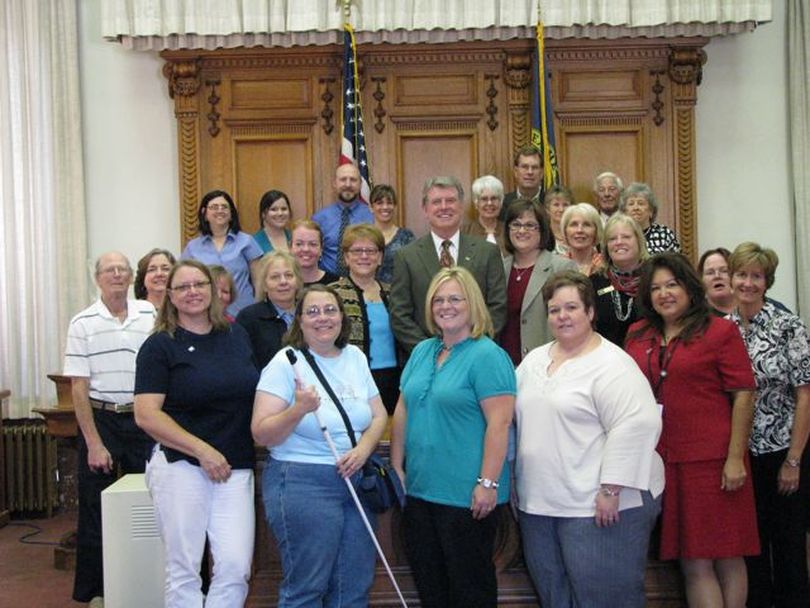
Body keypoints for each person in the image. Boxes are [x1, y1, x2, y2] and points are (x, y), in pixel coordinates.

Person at [515, 270, 664, 608]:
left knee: (606, 598)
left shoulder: (612, 364)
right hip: (539, 504)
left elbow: (636, 425)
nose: (562, 316)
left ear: (591, 312)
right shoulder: (534, 361)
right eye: (554, 310)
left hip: (598, 506)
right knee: (555, 596)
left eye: (571, 308)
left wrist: (612, 489)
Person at [625, 253, 759, 608]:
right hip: (663, 461)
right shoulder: (638, 334)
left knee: (725, 555)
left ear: (688, 286)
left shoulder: (720, 330)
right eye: (655, 288)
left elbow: (744, 394)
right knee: (691, 559)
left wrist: (734, 458)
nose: (664, 293)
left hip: (713, 460)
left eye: (672, 284)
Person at [252, 285, 388, 607]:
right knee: (307, 589)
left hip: (355, 481)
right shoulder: (285, 363)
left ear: (342, 316)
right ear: (299, 320)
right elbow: (261, 433)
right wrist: (298, 409)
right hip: (302, 482)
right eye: (312, 312)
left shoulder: (355, 357)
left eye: (330, 310)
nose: (323, 318)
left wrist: (363, 449)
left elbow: (379, 414)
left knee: (353, 587)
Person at [134, 260, 257, 607]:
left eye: (199, 285)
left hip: (235, 465)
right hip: (180, 465)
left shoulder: (236, 335)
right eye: (183, 287)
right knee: (185, 568)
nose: (192, 293)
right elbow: (146, 415)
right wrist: (202, 450)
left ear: (213, 289)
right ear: (170, 296)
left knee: (235, 566)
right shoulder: (159, 346)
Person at [390, 267, 516, 608]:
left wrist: (488, 483)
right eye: (438, 300)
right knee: (432, 588)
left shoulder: (488, 355)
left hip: (467, 497)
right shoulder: (422, 352)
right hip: (420, 490)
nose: (446, 306)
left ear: (472, 303)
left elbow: (500, 423)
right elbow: (403, 408)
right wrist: (396, 463)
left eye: (455, 299)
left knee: (469, 590)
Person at [63, 251, 156, 606]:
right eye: (109, 270)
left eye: (123, 269)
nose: (117, 275)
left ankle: (145, 582)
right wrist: (94, 443)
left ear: (132, 276)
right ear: (98, 278)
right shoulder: (82, 322)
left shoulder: (151, 314)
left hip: (144, 418)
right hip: (102, 420)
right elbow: (78, 388)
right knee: (94, 508)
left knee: (150, 502)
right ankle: (97, 592)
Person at [727, 242, 810, 608]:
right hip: (741, 455)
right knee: (752, 546)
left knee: (789, 545)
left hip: (783, 451)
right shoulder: (721, 330)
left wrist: (793, 460)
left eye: (756, 276)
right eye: (741, 274)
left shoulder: (787, 325)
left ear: (767, 281)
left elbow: (805, 395)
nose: (747, 283)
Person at [390, 175, 507, 354]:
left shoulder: (487, 252)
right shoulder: (406, 256)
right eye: (437, 202)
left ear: (461, 206)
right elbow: (400, 316)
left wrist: (471, 348)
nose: (444, 207)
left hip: (476, 357)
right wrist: (434, 352)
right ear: (425, 208)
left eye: (451, 201)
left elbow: (497, 308)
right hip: (426, 361)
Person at [329, 225, 400, 414]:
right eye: (357, 250)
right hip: (350, 381)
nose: (364, 256)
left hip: (393, 381)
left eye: (371, 251)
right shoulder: (332, 294)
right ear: (346, 257)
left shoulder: (393, 293)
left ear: (380, 257)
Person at [500, 199, 576, 365]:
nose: (522, 230)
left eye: (529, 225)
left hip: (549, 364)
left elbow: (574, 321)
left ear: (542, 230)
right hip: (504, 365)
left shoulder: (561, 267)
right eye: (516, 224)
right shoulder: (499, 268)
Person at [181, 189, 263, 316]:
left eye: (224, 207)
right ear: (204, 213)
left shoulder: (246, 241)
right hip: (205, 314)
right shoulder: (193, 247)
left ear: (231, 214)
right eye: (214, 207)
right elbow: (183, 281)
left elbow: (259, 281)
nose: (220, 210)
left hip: (244, 312)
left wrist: (258, 310)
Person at [236, 251, 301, 371]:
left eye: (289, 275)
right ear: (264, 285)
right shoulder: (248, 318)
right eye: (275, 277)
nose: (283, 282)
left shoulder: (310, 313)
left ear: (297, 281)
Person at [590, 214, 648, 346]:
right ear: (606, 247)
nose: (619, 242)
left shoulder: (654, 278)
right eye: (612, 239)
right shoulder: (593, 283)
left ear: (639, 241)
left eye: (626, 237)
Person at [311, 163, 374, 276]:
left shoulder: (372, 216)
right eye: (343, 179)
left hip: (363, 280)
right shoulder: (319, 219)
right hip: (327, 284)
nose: (348, 184)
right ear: (334, 184)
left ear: (360, 184)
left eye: (353, 180)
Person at [369, 183, 415, 284]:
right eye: (380, 203)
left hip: (399, 294)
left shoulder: (406, 237)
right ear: (371, 207)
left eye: (389, 203)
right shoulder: (364, 237)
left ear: (395, 206)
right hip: (368, 294)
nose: (385, 207)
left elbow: (414, 270)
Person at [619, 182, 681, 254]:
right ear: (624, 212)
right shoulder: (619, 234)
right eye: (631, 204)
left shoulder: (664, 234)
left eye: (640, 203)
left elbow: (678, 263)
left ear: (651, 211)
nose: (635, 208)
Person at [462, 175, 507, 255]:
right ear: (476, 203)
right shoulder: (464, 233)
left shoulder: (509, 231)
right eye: (484, 199)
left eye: (494, 198)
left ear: (501, 202)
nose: (489, 203)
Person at [289, 219, 339, 287]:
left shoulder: (336, 284)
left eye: (313, 244)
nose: (306, 249)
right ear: (290, 248)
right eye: (299, 244)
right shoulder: (282, 284)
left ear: (321, 249)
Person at [500, 145, 543, 220]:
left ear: (541, 173)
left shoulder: (551, 204)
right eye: (525, 167)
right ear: (516, 172)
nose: (530, 172)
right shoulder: (502, 204)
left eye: (534, 167)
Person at [561, 203, 604, 276]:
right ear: (565, 231)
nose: (579, 230)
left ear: (596, 231)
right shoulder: (556, 266)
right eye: (574, 224)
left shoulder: (606, 266)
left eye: (586, 225)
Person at [697, 247, 735, 316]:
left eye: (724, 271)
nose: (717, 276)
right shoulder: (698, 319)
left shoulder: (751, 311)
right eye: (710, 273)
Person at [253, 189, 292, 253]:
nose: (280, 213)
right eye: (273, 209)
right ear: (263, 214)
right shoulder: (254, 242)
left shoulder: (294, 237)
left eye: (284, 209)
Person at [543, 185, 573, 254]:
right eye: (556, 205)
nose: (561, 209)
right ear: (547, 209)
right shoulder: (543, 235)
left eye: (565, 205)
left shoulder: (577, 233)